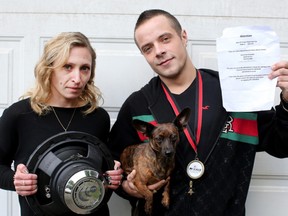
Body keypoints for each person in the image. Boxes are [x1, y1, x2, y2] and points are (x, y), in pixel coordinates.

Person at [108, 9, 288, 216]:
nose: (158, 51)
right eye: (148, 48)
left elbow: (281, 144)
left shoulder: (234, 91)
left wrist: (287, 102)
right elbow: (115, 165)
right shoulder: (137, 106)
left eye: (165, 39)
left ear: (183, 36)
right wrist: (126, 187)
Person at [0, 32, 123, 216]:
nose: (77, 78)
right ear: (49, 68)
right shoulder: (19, 115)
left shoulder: (98, 118)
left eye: (84, 68)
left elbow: (102, 170)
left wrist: (112, 177)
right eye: (68, 66)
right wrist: (15, 181)